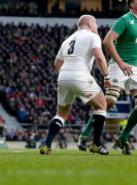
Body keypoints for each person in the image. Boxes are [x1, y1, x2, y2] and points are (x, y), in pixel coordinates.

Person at [77, 0, 137, 155]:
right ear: (132, 5)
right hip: (118, 65)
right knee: (110, 101)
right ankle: (84, 134)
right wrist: (120, 63)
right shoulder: (124, 20)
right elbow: (107, 41)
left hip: (134, 68)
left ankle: (123, 138)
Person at [39, 15, 110, 155]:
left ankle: (46, 145)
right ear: (89, 24)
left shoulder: (68, 40)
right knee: (101, 105)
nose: (97, 27)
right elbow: (99, 57)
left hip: (63, 76)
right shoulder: (92, 36)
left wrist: (68, 76)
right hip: (80, 74)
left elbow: (57, 64)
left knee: (61, 114)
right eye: (95, 24)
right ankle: (96, 144)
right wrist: (106, 76)